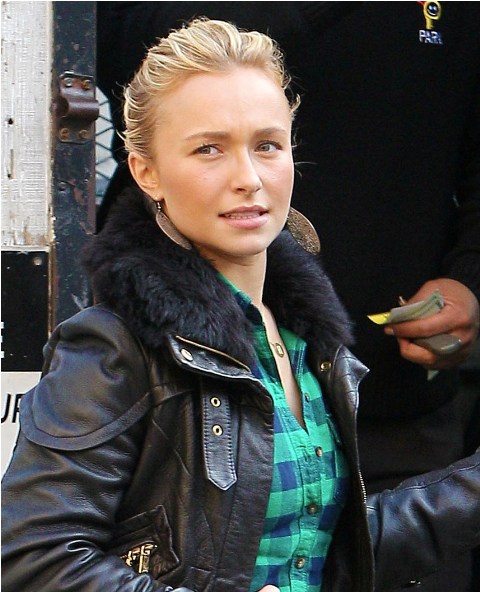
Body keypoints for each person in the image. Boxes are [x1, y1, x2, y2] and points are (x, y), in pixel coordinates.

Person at [95, 4, 480, 590]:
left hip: (399, 400)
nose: (248, 178)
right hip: (188, 382)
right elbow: (41, 554)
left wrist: (470, 275)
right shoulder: (108, 353)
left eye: (270, 146)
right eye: (210, 148)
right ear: (145, 170)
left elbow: (343, 546)